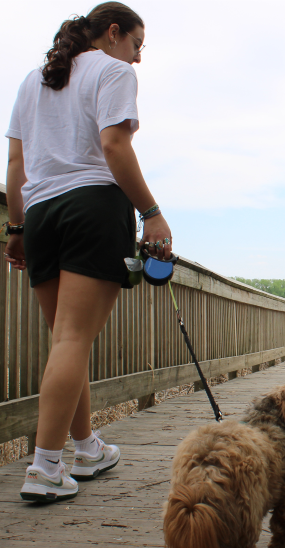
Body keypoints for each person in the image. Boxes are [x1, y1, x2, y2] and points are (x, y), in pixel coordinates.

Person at [4, 1, 172, 502]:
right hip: (93, 208)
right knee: (74, 338)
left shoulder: (33, 81)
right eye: (137, 45)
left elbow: (15, 163)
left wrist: (16, 228)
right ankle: (45, 468)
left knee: (64, 340)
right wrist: (152, 213)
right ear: (114, 33)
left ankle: (87, 448)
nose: (137, 58)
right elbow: (115, 147)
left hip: (42, 216)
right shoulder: (112, 70)